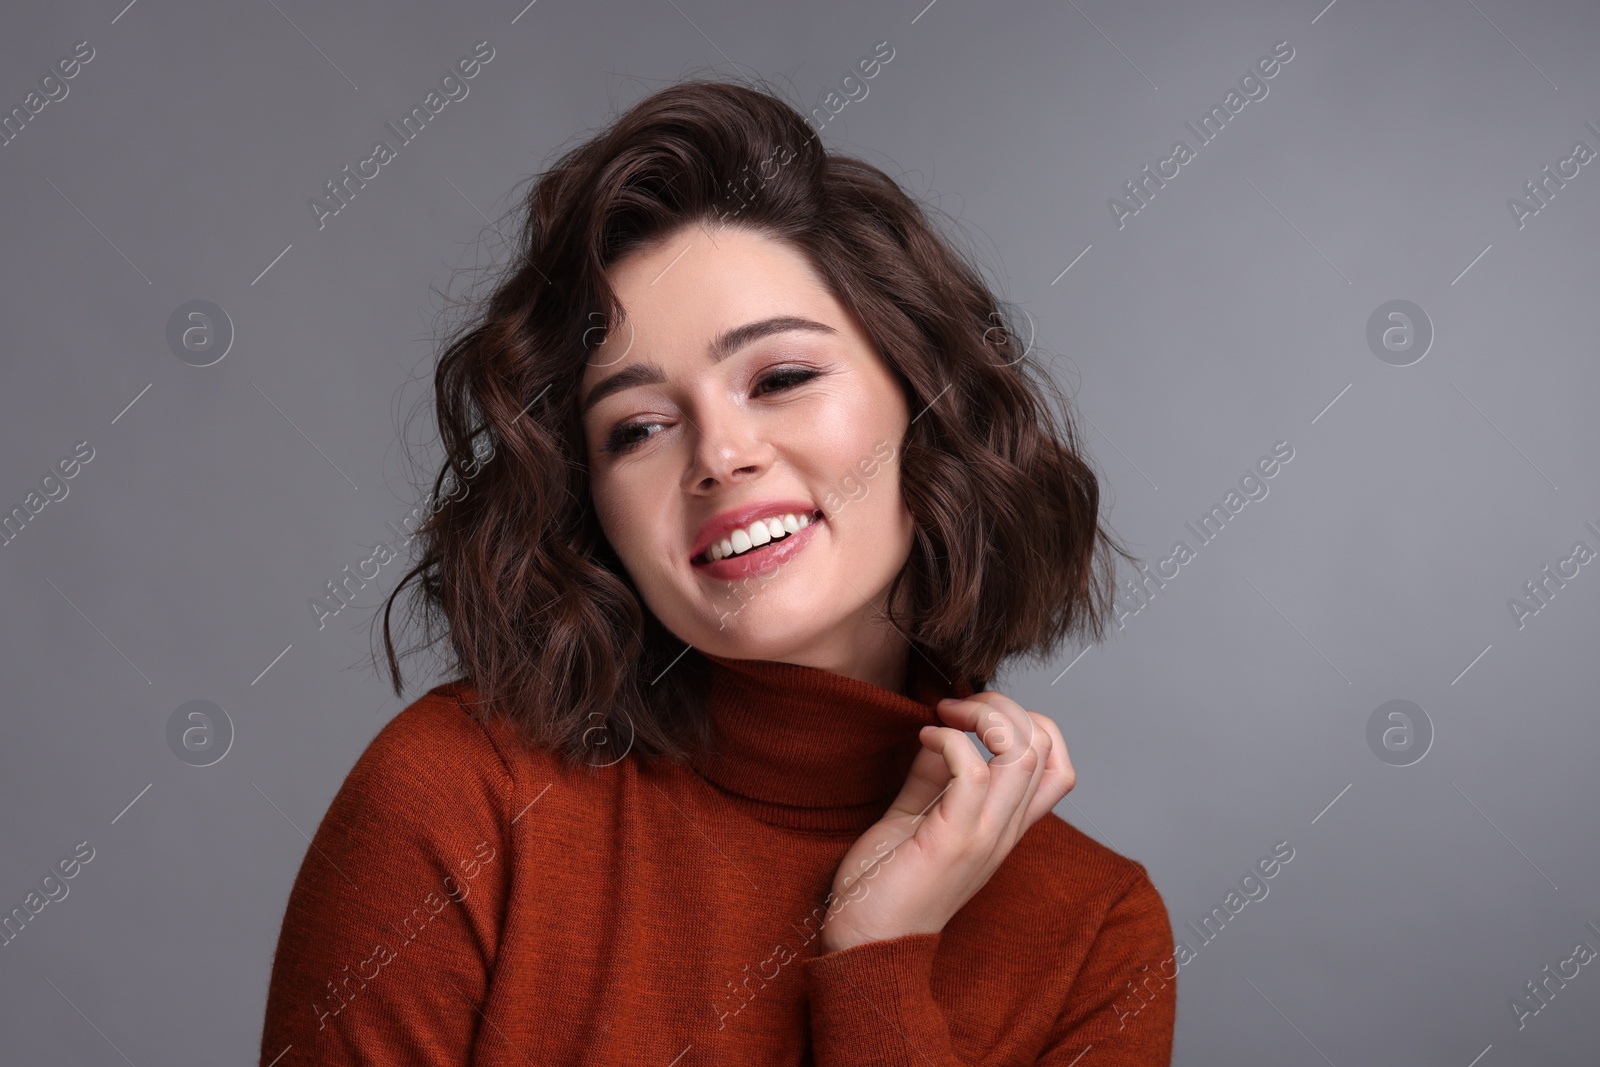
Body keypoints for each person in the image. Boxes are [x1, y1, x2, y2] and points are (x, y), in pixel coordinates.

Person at [259, 78, 1175, 1066]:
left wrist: (877, 959)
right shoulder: (456, 799)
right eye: (637, 427)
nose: (718, 454)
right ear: (592, 503)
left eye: (779, 378)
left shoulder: (1093, 931)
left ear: (926, 400)